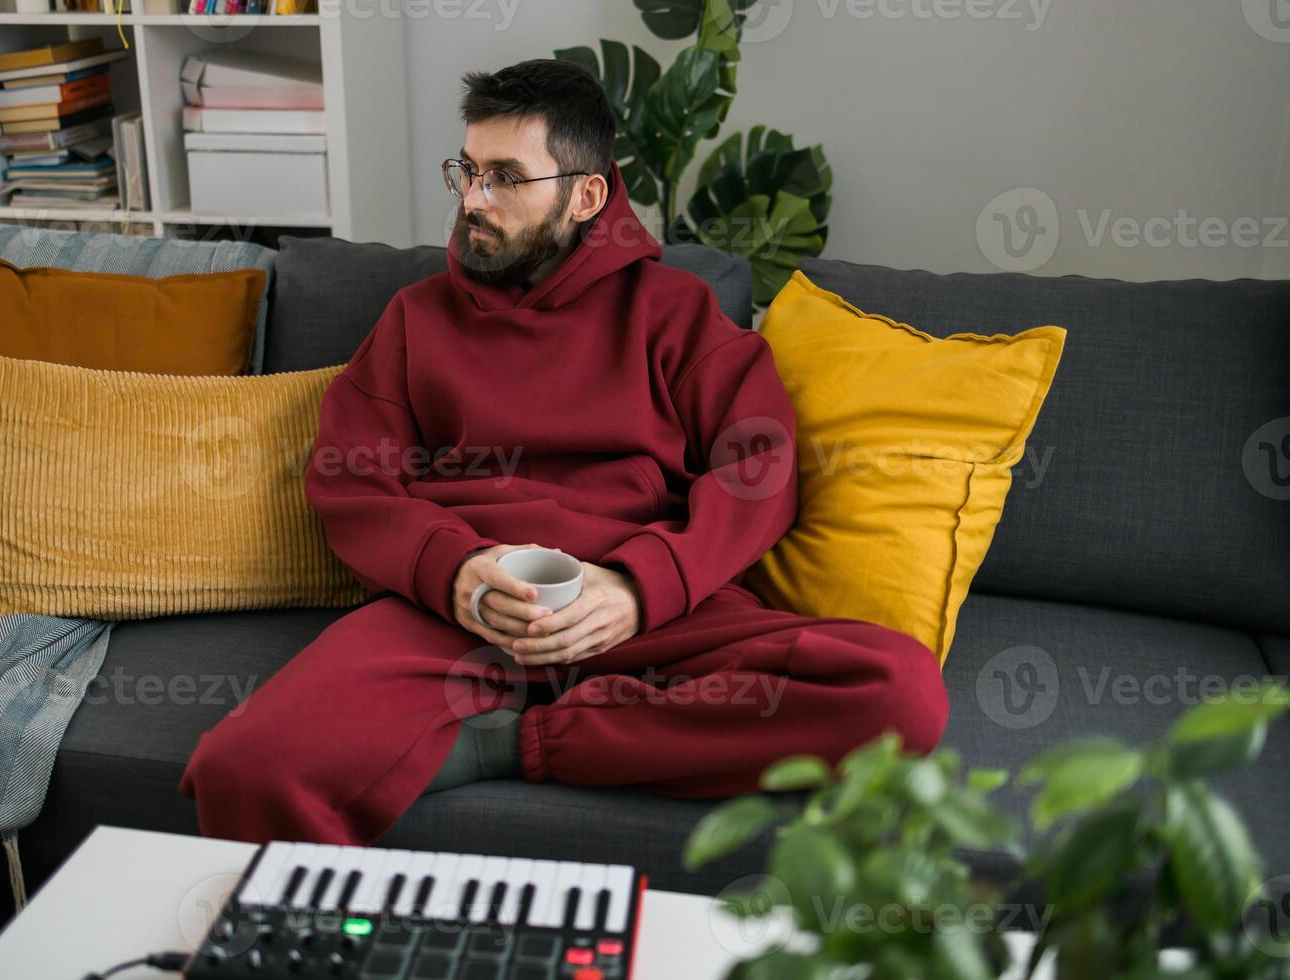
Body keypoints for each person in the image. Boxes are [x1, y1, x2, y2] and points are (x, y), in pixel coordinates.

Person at [179, 58, 947, 846]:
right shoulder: (415, 319)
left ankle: (508, 745)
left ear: (587, 196)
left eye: (506, 178)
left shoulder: (676, 313)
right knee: (244, 766)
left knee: (898, 693)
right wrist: (453, 572)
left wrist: (642, 588)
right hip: (462, 612)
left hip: (641, 612)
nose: (473, 200)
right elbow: (352, 482)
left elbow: (760, 467)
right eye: (467, 171)